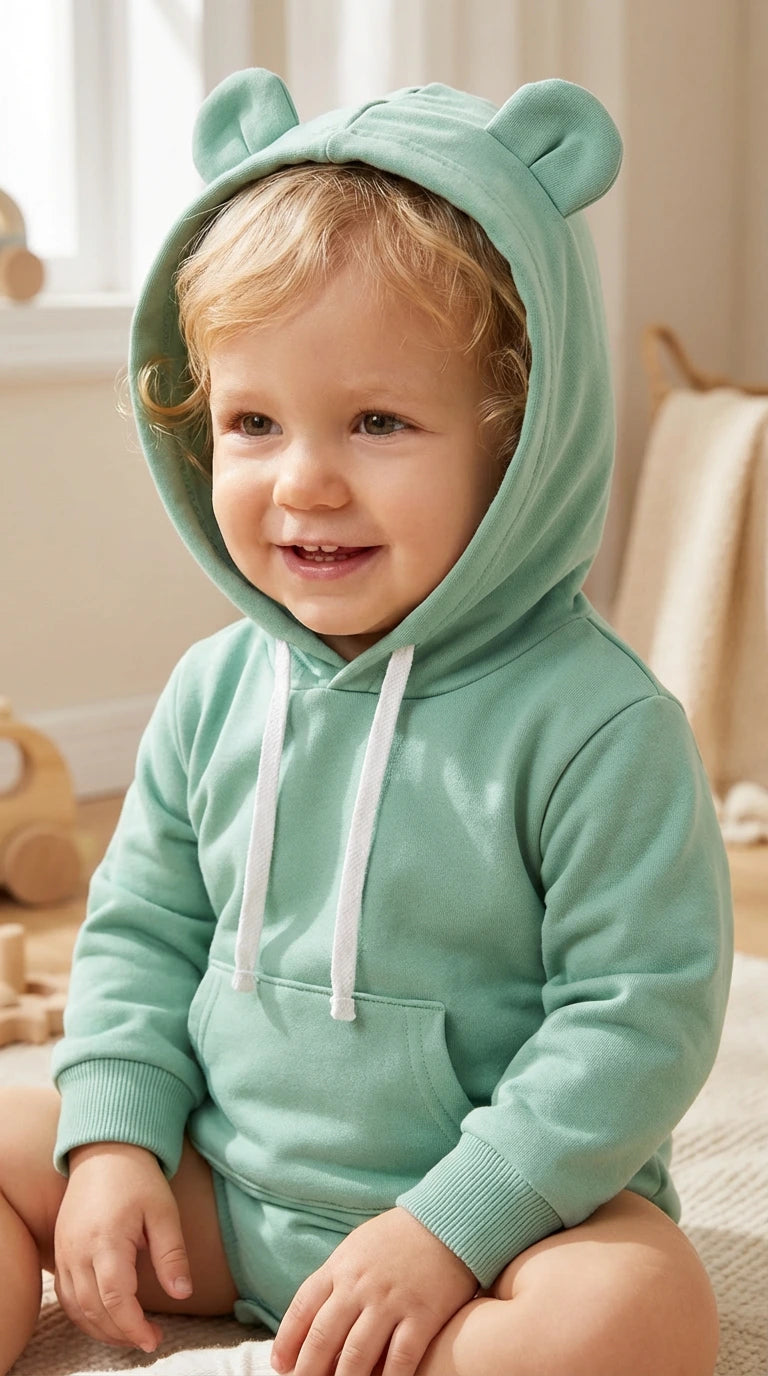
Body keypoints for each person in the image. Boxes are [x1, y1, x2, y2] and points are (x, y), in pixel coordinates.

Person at [0, 69, 732, 1376]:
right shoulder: (212, 692)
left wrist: (449, 1229)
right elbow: (140, 937)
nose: (305, 480)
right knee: (22, 1132)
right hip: (219, 1188)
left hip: (488, 1231)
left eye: (378, 421)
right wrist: (114, 1142)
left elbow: (638, 1020)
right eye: (253, 422)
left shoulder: (601, 727)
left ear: (515, 442)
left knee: (638, 1314)